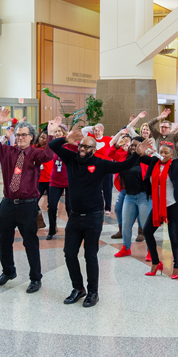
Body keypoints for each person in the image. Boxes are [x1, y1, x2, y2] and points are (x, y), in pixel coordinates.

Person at [50, 122, 145, 307]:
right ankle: (78, 288)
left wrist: (137, 154)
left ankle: (93, 292)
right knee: (69, 254)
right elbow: (53, 146)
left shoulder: (100, 164)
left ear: (94, 149)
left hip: (93, 216)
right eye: (81, 146)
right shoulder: (71, 158)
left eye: (87, 147)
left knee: (90, 255)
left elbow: (123, 166)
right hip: (75, 216)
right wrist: (66, 139)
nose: (83, 149)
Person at [0, 108, 55, 294]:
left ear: (31, 137)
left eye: (24, 135)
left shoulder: (35, 154)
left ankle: (35, 278)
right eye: (18, 134)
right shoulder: (7, 151)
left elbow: (48, 155)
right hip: (8, 204)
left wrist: (51, 135)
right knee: (4, 240)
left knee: (30, 242)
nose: (21, 137)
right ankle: (8, 271)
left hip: (28, 205)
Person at [140, 141, 178, 279]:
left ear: (172, 154)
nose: (163, 155)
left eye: (166, 153)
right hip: (158, 205)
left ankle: (176, 265)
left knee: (173, 235)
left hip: (175, 204)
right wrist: (143, 150)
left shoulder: (176, 163)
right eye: (161, 152)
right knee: (147, 231)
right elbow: (138, 156)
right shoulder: (154, 161)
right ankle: (156, 262)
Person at [113, 136, 151, 256]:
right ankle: (126, 248)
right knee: (126, 224)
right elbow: (110, 153)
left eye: (137, 145)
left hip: (144, 197)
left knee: (147, 226)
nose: (133, 147)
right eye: (132, 145)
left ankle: (151, 251)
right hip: (128, 196)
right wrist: (118, 145)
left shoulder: (147, 160)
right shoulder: (124, 158)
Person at [47, 125, 70, 240]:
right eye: (55, 131)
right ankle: (52, 230)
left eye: (59, 131)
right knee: (51, 206)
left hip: (68, 180)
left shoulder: (69, 145)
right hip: (55, 180)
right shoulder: (52, 146)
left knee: (70, 207)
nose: (57, 133)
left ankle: (71, 229)